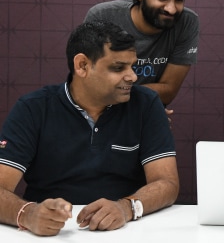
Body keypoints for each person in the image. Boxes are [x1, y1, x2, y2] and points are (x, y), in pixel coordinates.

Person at [0, 21, 179, 236]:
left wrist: (126, 207)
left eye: (133, 66)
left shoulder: (146, 104)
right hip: (51, 232)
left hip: (127, 230)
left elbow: (167, 183)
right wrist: (28, 214)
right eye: (118, 67)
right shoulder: (33, 108)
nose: (132, 76)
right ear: (82, 65)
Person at [84, 0, 199, 106]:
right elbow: (90, 84)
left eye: (179, 0)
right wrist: (141, 105)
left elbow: (168, 91)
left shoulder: (187, 22)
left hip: (146, 115)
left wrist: (137, 109)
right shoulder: (102, 17)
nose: (171, 9)